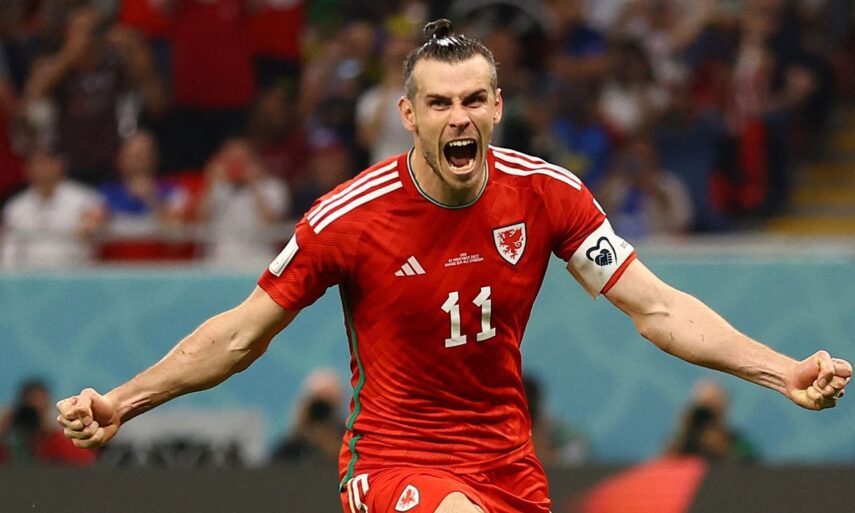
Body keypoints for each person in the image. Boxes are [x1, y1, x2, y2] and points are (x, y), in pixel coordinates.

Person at [56, 19, 851, 513]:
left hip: (508, 466)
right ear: (408, 115)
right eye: (439, 103)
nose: (458, 116)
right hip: (392, 463)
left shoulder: (547, 195)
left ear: (497, 106)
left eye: (473, 100)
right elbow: (238, 336)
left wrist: (782, 371)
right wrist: (123, 400)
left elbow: (659, 308)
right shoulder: (346, 217)